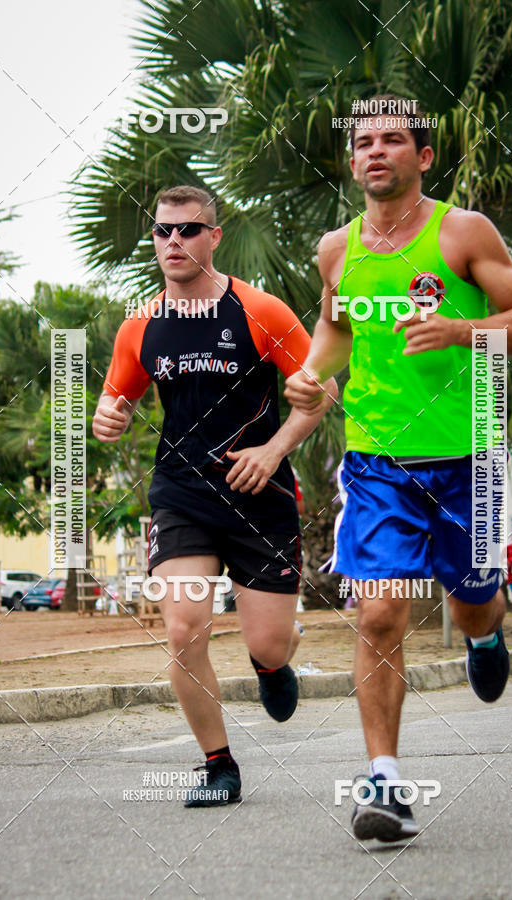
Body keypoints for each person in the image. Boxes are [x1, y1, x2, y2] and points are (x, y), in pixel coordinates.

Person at [284, 94, 512, 842]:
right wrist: (311, 374)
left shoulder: (462, 231)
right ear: (351, 158)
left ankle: (485, 635)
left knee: (470, 604)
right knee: (378, 611)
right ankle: (386, 782)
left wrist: (462, 329)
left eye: (393, 140)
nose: (376, 151)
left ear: (423, 157)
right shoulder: (337, 248)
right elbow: (337, 328)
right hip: (378, 463)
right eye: (364, 141)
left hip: (471, 459)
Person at [93, 184, 337, 807]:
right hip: (181, 495)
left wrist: (273, 449)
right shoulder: (140, 327)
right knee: (183, 630)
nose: (172, 241)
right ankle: (218, 764)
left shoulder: (261, 312)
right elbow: (113, 399)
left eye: (188, 230)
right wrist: (107, 418)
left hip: (260, 496)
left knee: (266, 643)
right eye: (161, 232)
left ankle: (274, 663)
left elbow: (321, 392)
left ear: (214, 236)